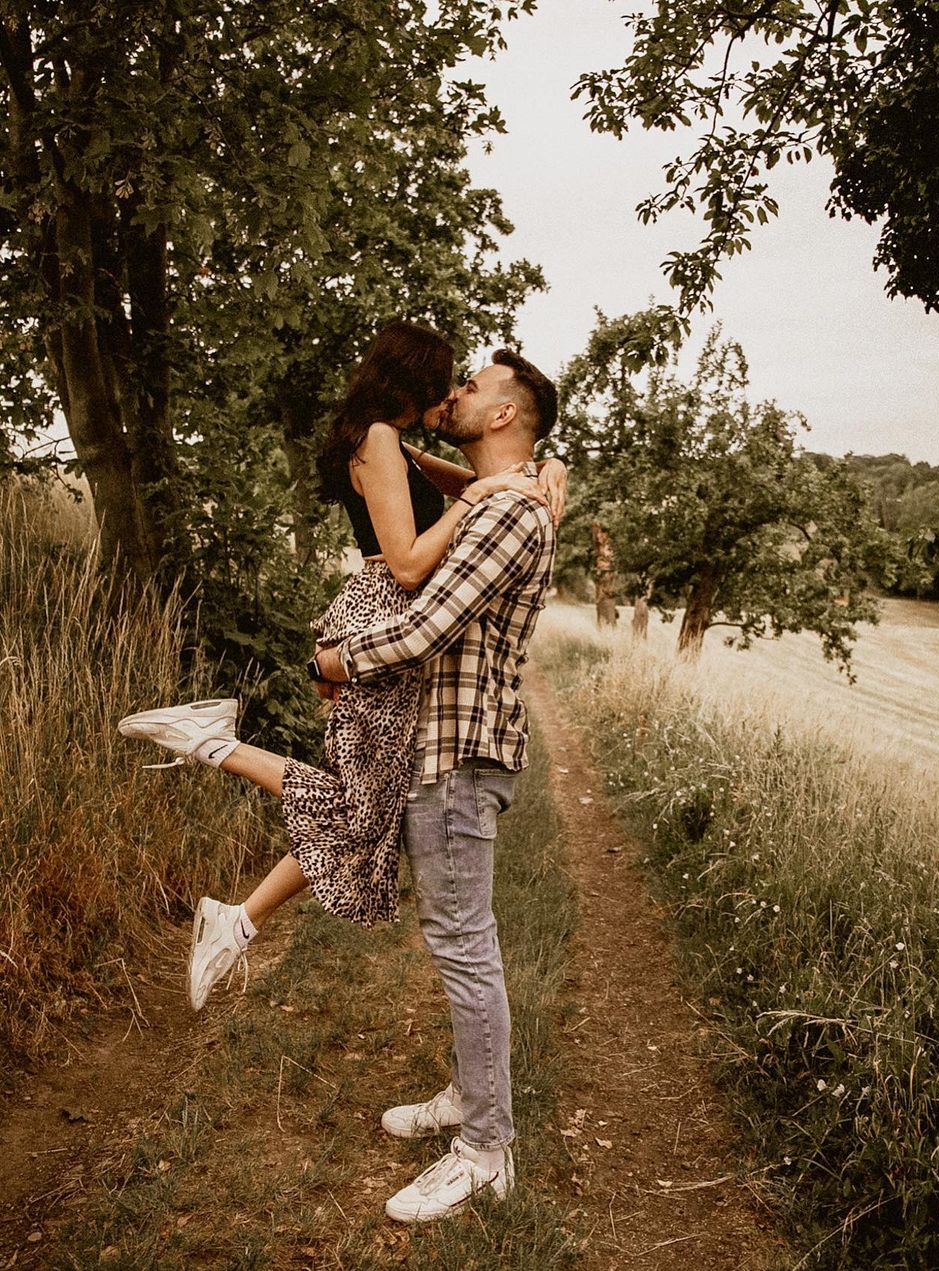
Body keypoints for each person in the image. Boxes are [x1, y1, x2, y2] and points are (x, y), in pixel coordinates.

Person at [117, 321, 565, 1015]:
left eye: (463, 385)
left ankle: (234, 919)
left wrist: (542, 469)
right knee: (361, 806)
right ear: (414, 380)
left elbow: (482, 480)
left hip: (381, 614)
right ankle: (212, 749)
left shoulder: (393, 441)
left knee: (365, 807)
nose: (451, 394)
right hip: (385, 605)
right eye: (445, 382)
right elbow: (411, 563)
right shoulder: (378, 439)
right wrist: (476, 502)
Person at [303, 348, 559, 1224]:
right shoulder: (500, 497)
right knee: (458, 940)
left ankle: (485, 1150)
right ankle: (470, 1093)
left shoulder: (507, 515)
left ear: (504, 415)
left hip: (457, 756)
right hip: (445, 747)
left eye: (474, 388)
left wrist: (335, 659)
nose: (455, 394)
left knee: (463, 943)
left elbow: (423, 627)